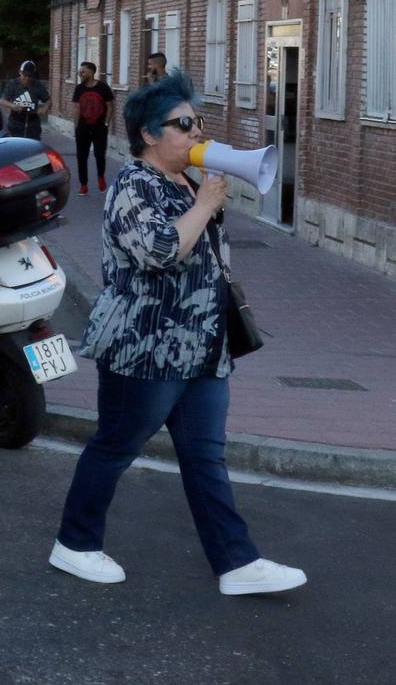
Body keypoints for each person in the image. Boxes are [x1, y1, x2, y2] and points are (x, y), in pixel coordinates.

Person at [50, 72, 307, 596]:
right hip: (145, 347)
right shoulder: (132, 185)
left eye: (199, 124)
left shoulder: (184, 183)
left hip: (202, 347)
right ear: (149, 135)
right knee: (116, 446)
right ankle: (74, 544)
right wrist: (206, 206)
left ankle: (237, 563)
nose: (196, 134)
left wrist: (204, 200)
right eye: (183, 125)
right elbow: (159, 252)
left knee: (205, 455)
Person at [73, 61, 115, 195]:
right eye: (79, 72)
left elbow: (110, 106)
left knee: (99, 154)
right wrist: (76, 127)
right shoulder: (79, 88)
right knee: (81, 156)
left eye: (83, 71)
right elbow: (77, 108)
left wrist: (106, 123)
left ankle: (101, 177)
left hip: (99, 128)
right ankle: (83, 185)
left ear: (91, 72)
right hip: (83, 128)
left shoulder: (103, 87)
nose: (80, 74)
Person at [0, 60, 50, 140]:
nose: (27, 78)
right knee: (16, 145)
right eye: (25, 75)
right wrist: (13, 106)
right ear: (20, 72)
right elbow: (2, 100)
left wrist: (45, 108)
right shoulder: (13, 84)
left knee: (32, 146)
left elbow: (48, 100)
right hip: (16, 122)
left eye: (30, 76)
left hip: (33, 122)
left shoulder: (38, 85)